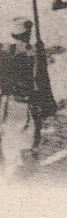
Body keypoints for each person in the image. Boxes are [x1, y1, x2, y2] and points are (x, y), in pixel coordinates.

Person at [0, 19, 46, 178]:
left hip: (5, 101)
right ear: (28, 34)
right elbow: (39, 79)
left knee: (6, 136)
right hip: (23, 101)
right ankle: (21, 171)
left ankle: (8, 169)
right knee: (25, 135)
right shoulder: (31, 53)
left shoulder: (3, 49)